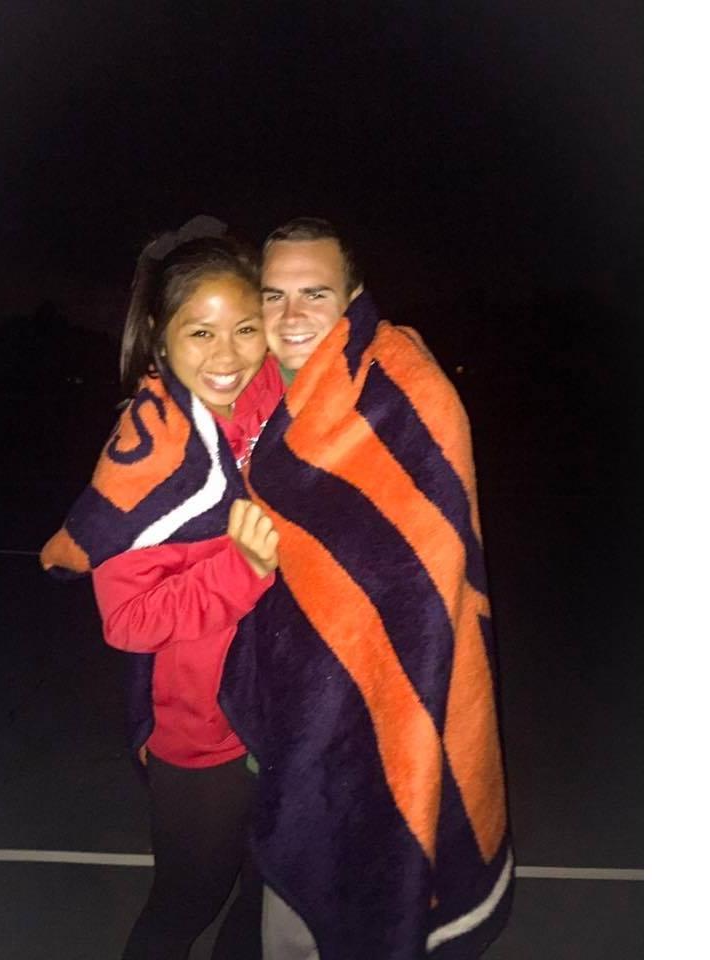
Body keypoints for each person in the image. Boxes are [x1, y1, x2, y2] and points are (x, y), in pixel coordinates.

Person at [219, 218, 514, 959]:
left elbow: (424, 584)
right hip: (279, 700)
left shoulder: (405, 392)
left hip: (379, 700)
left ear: (353, 299)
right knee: (282, 896)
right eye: (274, 295)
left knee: (351, 891)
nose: (291, 316)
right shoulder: (246, 389)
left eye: (314, 294)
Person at [40, 216, 284, 960]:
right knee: (185, 905)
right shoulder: (148, 458)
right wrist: (244, 569)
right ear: (160, 337)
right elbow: (128, 619)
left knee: (269, 891)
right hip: (202, 733)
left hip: (286, 709)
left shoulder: (268, 410)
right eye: (200, 333)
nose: (227, 356)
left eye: (245, 329)